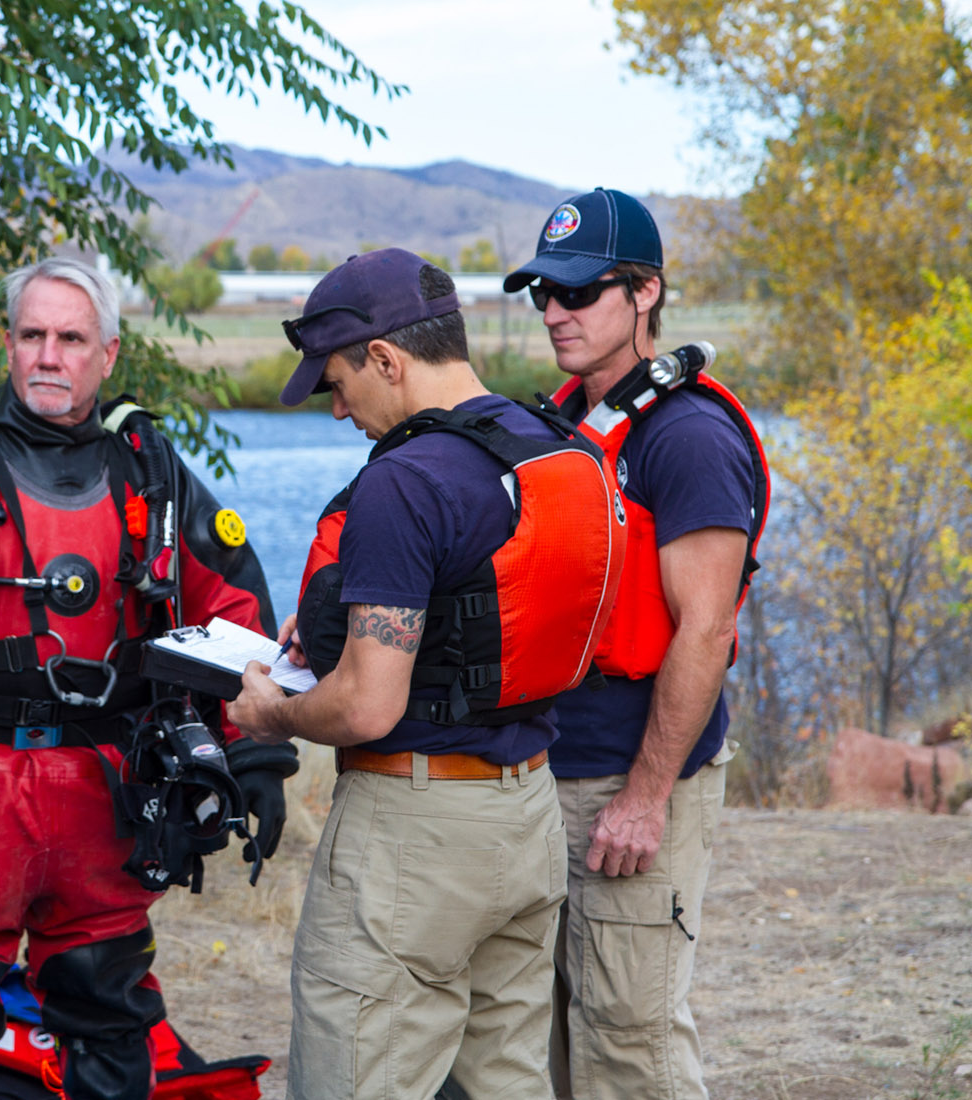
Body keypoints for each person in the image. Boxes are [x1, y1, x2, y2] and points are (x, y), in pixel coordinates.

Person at [0, 255, 292, 1100]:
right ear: (7, 346)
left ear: (108, 355)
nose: (50, 355)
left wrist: (256, 758)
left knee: (113, 1016)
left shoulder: (150, 477)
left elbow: (235, 608)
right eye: (33, 335)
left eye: (71, 338)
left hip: (103, 796)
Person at [229, 248, 626, 1099]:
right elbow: (480, 615)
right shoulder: (556, 447)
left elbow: (370, 706)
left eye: (338, 384)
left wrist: (272, 716)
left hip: (413, 834)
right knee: (505, 1084)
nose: (339, 411)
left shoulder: (404, 481)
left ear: (386, 359)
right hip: (527, 814)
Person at [503, 187, 770, 1100]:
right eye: (544, 292)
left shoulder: (689, 436)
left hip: (630, 777)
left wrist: (647, 797)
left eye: (579, 292)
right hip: (550, 766)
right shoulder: (566, 424)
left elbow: (707, 628)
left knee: (631, 1042)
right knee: (550, 1038)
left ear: (645, 293)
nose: (554, 311)